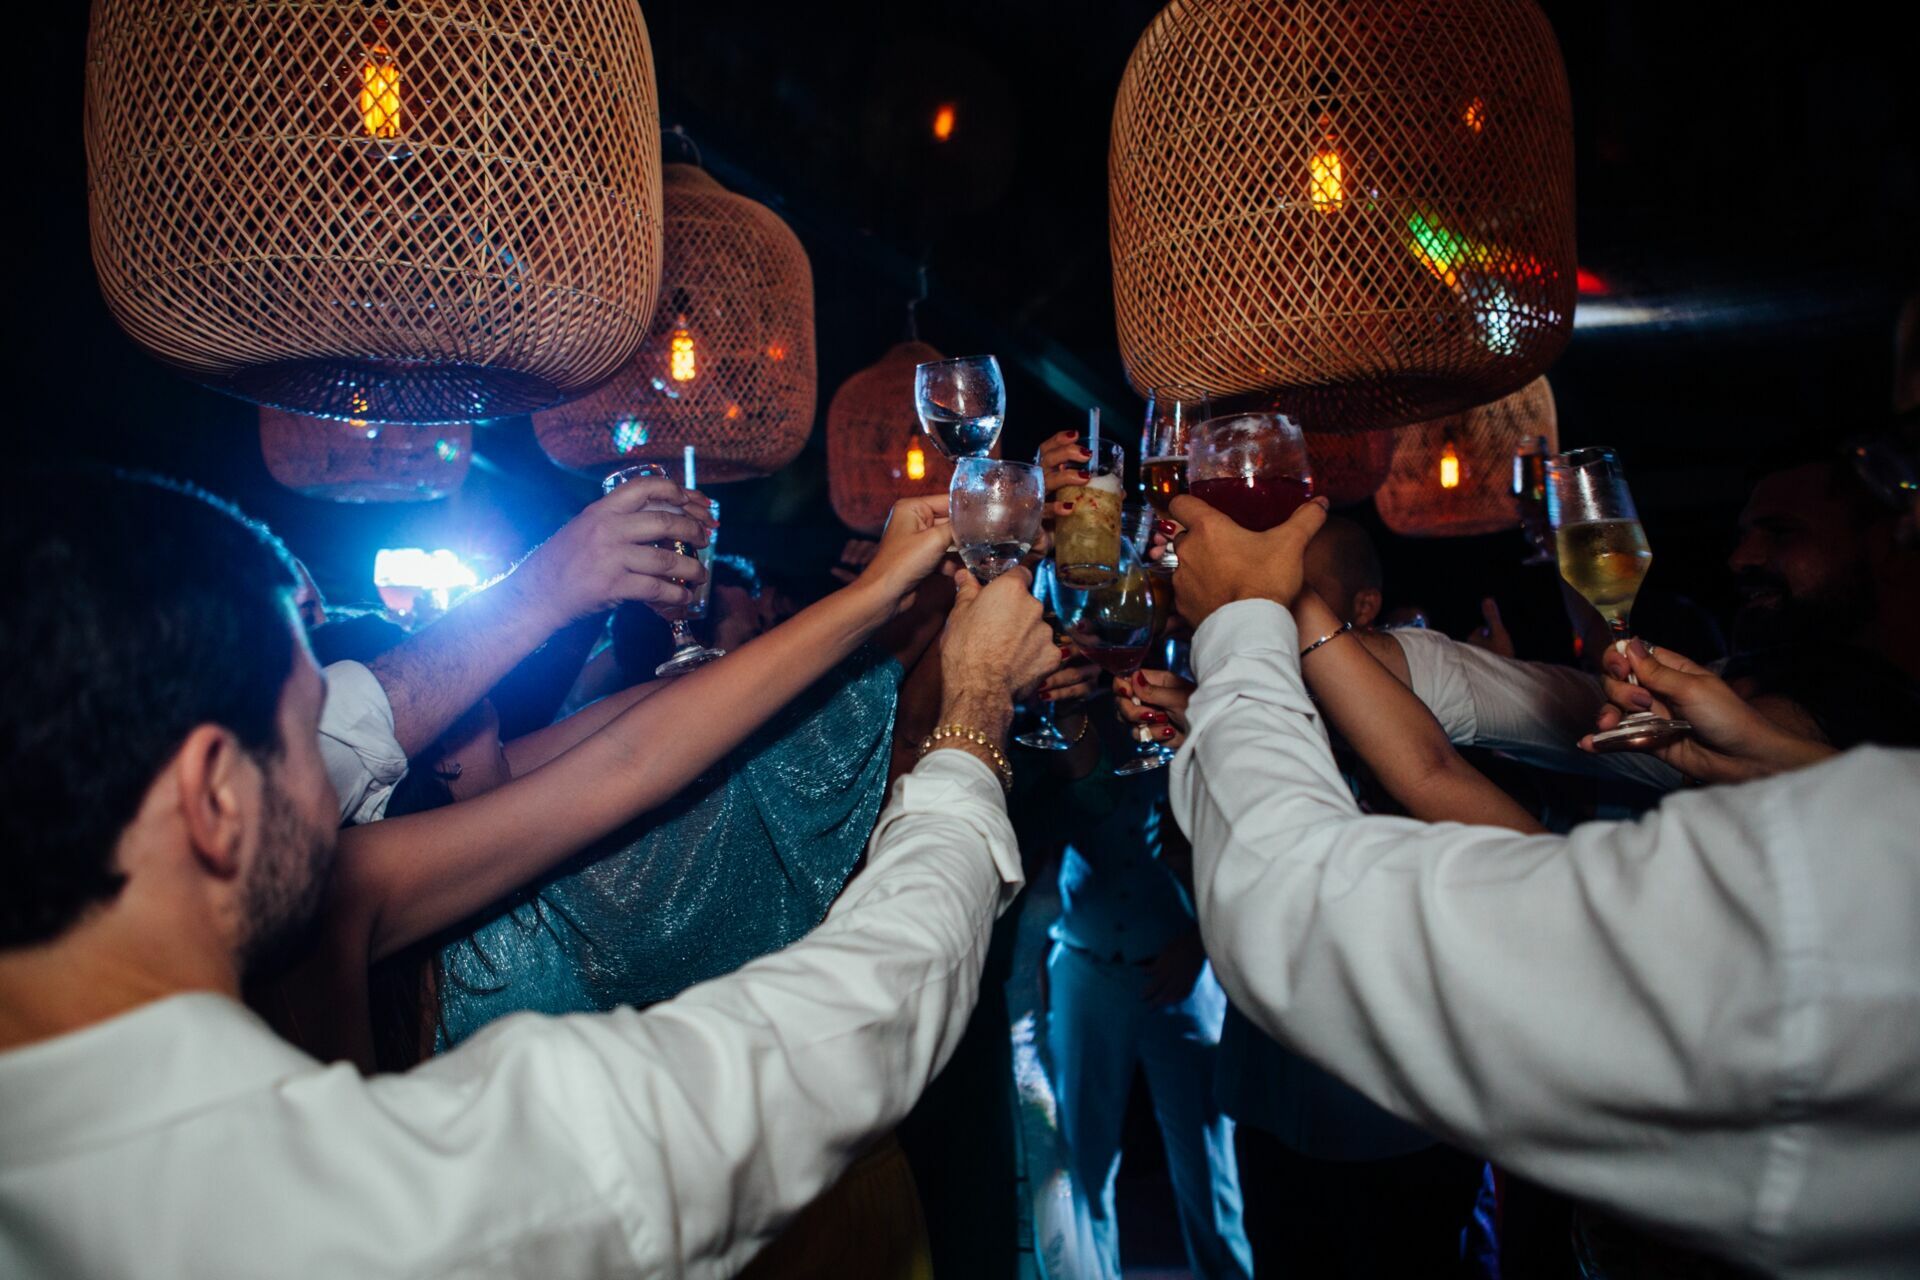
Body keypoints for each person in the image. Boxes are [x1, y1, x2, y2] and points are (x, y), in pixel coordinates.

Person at [0, 469, 1061, 1278]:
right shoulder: (395, 1203)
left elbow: (611, 758)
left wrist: (554, 583)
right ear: (215, 798)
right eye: (306, 732)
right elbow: (846, 1030)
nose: (350, 778)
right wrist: (973, 717)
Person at [1159, 489, 1920, 1279]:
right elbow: (1447, 737)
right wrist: (1291, 602)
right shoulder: (1838, 802)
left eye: (1906, 509)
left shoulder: (1821, 880)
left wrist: (1247, 619)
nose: (1742, 559)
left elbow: (1299, 910)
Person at [1124, 515, 1499, 1278]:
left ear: (1358, 608)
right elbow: (1209, 865)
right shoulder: (1241, 706)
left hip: (1399, 1108)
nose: (1261, 603)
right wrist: (1199, 748)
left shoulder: (1426, 699)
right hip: (1271, 1088)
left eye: (1293, 591)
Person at [320, 473, 713, 823]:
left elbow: (650, 715)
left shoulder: (492, 773)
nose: (485, 689)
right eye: (466, 698)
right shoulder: (400, 866)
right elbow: (630, 758)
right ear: (439, 750)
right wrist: (545, 586)